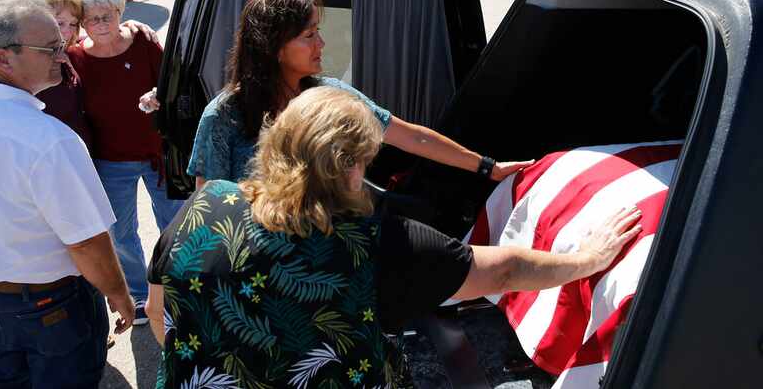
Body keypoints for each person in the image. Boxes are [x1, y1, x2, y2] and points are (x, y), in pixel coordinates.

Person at [146, 86, 643, 387]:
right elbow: (507, 268)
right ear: (352, 167)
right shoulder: (380, 246)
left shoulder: (205, 205)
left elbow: (158, 314)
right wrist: (587, 258)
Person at [0, 0, 134, 388]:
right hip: (51, 306)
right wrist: (119, 295)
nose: (64, 55)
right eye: (51, 49)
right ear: (4, 59)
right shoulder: (49, 139)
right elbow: (87, 242)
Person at [188, 0, 531, 192]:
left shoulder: (332, 97)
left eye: (318, 31)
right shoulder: (224, 116)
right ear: (273, 47)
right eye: (309, 35)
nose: (321, 43)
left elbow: (412, 137)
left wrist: (487, 167)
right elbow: (206, 208)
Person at [67, 0, 183, 325]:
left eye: (108, 15)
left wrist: (157, 95)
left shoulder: (144, 41)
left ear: (121, 12)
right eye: (92, 18)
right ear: (83, 22)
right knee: (120, 233)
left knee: (173, 225)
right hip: (110, 160)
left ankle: (174, 291)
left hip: (156, 154)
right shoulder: (74, 57)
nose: (100, 24)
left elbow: (171, 81)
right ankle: (139, 294)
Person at [30, 0, 160, 152]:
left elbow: (173, 79)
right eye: (60, 23)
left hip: (144, 153)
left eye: (72, 24)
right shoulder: (29, 64)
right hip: (63, 159)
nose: (67, 32)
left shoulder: (66, 53)